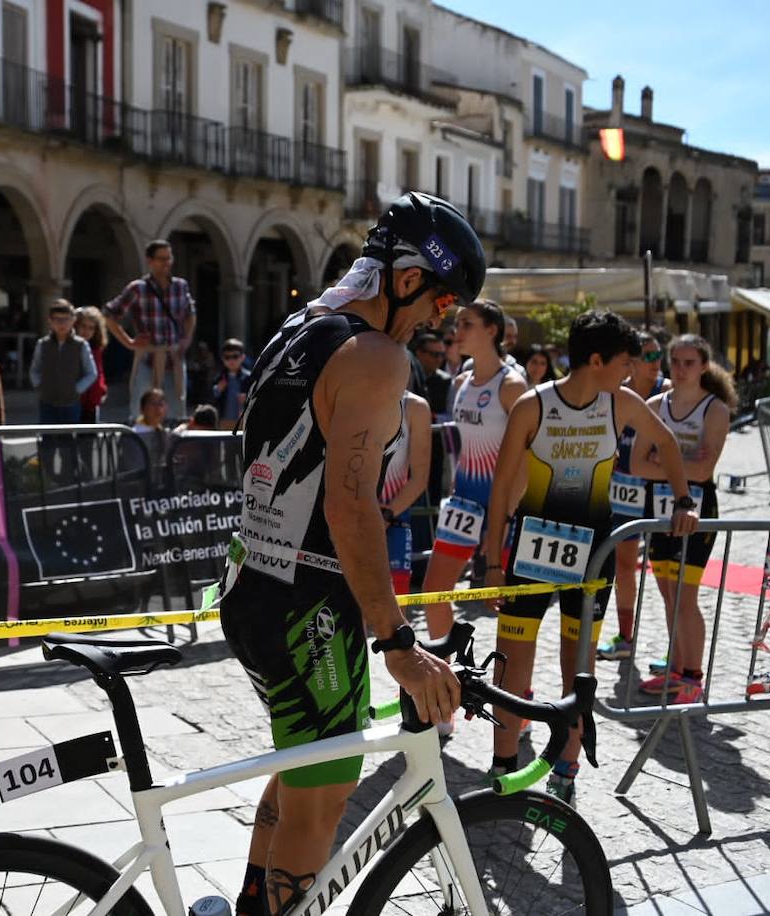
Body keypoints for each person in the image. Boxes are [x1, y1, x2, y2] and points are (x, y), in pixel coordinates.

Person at [220, 192, 481, 916]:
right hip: (309, 603)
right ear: (405, 279)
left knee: (299, 769)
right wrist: (397, 641)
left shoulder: (300, 328)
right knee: (324, 797)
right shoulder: (375, 356)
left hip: (250, 581)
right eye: (441, 298)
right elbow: (351, 506)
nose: (440, 318)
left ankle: (254, 904)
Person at [482, 309, 699, 805]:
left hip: (591, 558)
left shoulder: (619, 403)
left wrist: (684, 500)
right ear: (597, 359)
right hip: (529, 554)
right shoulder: (533, 406)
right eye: (627, 360)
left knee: (576, 670)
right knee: (513, 664)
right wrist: (493, 563)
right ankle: (502, 766)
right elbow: (500, 494)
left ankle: (566, 770)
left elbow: (665, 441)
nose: (633, 369)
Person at [418, 301, 526, 701]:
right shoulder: (461, 381)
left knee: (506, 607)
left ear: (493, 331)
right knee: (434, 593)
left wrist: (508, 514)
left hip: (502, 510)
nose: (456, 330)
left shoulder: (512, 385)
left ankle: (515, 690)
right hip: (463, 504)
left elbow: (530, 456)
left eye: (467, 324)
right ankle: (442, 693)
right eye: (456, 323)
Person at [627, 335, 734, 705]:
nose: (681, 368)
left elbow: (705, 470)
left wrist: (664, 463)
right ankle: (678, 663)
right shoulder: (656, 404)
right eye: (676, 361)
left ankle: (692, 677)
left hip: (698, 510)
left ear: (704, 365)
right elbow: (637, 463)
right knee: (668, 594)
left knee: (685, 598)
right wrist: (673, 466)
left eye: (690, 362)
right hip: (657, 509)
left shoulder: (715, 409)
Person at [598, 331, 671, 661]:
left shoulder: (666, 391)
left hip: (658, 489)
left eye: (659, 356)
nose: (656, 364)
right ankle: (626, 637)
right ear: (631, 361)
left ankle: (678, 648)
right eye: (648, 357)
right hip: (623, 489)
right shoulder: (615, 394)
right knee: (625, 566)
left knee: (667, 571)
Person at [105, 239, 196, 421]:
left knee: (176, 412)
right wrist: (129, 342)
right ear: (150, 261)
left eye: (169, 258)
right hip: (148, 359)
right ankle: (142, 446)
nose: (166, 263)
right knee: (141, 412)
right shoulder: (138, 288)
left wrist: (187, 339)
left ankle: (171, 447)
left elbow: (190, 313)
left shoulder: (180, 286)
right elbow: (109, 314)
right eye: (161, 258)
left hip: (174, 358)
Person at [381, 389, 433, 597]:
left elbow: (420, 478)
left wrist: (385, 515)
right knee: (352, 609)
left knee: (398, 602)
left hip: (394, 515)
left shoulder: (415, 407)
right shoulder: (351, 394)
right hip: (355, 515)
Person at [29, 300, 97, 424]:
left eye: (66, 319)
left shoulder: (81, 345)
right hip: (47, 402)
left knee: (68, 440)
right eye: (57, 319)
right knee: (48, 439)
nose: (62, 324)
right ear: (50, 321)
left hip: (71, 403)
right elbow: (35, 369)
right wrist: (39, 385)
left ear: (73, 320)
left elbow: (91, 373)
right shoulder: (42, 344)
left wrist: (76, 389)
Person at [75, 305, 109, 423]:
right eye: (83, 326)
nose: (86, 331)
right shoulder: (71, 347)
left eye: (91, 328)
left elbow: (99, 373)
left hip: (92, 403)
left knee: (88, 438)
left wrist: (102, 390)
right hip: (74, 401)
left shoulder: (96, 349)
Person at [212, 338, 251, 429]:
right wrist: (217, 390)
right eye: (227, 357)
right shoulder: (218, 378)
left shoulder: (249, 377)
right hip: (223, 421)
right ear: (222, 358)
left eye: (235, 356)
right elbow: (209, 399)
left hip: (243, 420)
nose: (231, 360)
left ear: (242, 357)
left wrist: (247, 399)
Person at [411, 330, 453, 416]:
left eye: (442, 355)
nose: (439, 359)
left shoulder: (446, 381)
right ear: (419, 353)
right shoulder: (408, 378)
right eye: (434, 354)